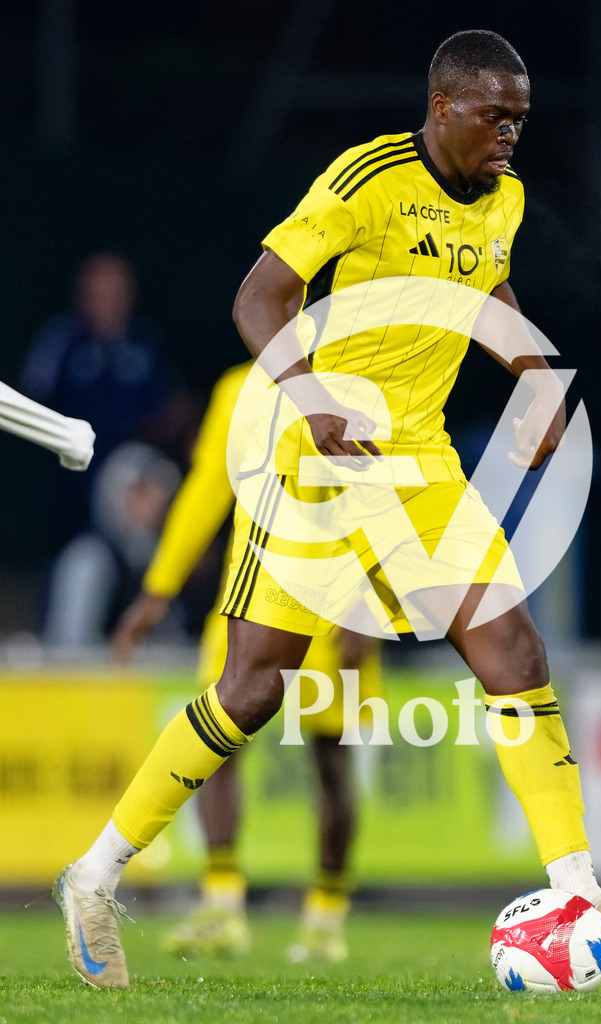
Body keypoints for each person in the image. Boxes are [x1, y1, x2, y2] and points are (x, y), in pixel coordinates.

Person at [54, 30, 601, 990]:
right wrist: (312, 404)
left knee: (512, 651)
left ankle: (578, 890)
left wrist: (537, 374)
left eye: (520, 119)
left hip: (419, 461)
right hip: (312, 457)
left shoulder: (503, 199)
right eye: (495, 116)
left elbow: (484, 287)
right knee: (253, 690)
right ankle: (94, 876)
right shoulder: (366, 179)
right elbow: (257, 299)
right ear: (443, 108)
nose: (511, 136)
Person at [111, 360, 383, 962]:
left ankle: (325, 914)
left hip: (337, 599)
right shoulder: (236, 389)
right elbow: (209, 486)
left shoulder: (365, 379)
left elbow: (383, 495)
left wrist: (371, 599)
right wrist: (158, 589)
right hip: (250, 597)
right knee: (217, 748)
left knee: (331, 765)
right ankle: (222, 904)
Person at [19, 251, 193, 546]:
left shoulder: (146, 343)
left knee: (156, 488)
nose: (107, 303)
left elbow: (174, 407)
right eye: (98, 294)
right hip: (76, 479)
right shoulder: (61, 342)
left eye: (117, 293)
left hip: (139, 473)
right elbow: (27, 408)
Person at [41, 441, 182, 647]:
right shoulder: (89, 561)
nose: (154, 508)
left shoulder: (160, 562)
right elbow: (70, 655)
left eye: (159, 497)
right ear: (114, 494)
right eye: (141, 494)